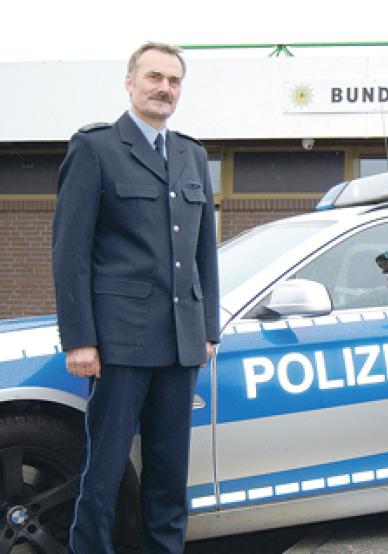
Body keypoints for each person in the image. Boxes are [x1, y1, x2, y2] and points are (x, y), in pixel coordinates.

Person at [51, 42, 219, 553]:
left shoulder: (192, 154)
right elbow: (70, 250)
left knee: (169, 479)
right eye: (154, 78)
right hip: (118, 342)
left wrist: (207, 328)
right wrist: (80, 338)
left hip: (179, 344)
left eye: (173, 80)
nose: (164, 88)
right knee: (103, 476)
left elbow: (202, 252)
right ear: (130, 82)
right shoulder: (96, 148)